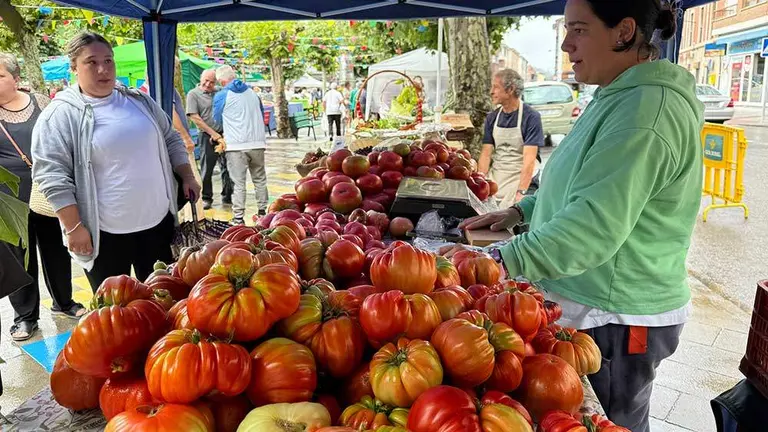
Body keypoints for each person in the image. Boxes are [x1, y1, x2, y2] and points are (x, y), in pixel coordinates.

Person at [442, 1, 703, 431]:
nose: (566, 45)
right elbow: (576, 184)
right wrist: (519, 211)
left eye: (578, 30)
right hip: (590, 302)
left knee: (613, 421)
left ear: (623, 31)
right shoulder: (616, 95)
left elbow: (590, 228)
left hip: (617, 316)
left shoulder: (645, 112)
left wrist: (497, 260)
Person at [32, 31, 201, 291]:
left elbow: (171, 138)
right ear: (74, 67)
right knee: (115, 316)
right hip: (105, 236)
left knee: (166, 304)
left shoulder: (139, 101)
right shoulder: (60, 114)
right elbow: (51, 175)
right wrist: (74, 226)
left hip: (158, 225)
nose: (103, 69)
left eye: (108, 60)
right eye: (91, 62)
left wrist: (186, 174)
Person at [0, 53, 86, 341]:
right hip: (10, 200)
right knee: (20, 259)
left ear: (15, 78)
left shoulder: (42, 103)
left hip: (48, 194)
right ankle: (25, 317)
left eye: (0, 76)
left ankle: (64, 302)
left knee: (57, 251)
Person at [478, 69, 545, 208]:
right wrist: (480, 182)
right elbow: (486, 154)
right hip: (497, 176)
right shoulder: (492, 118)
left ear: (511, 89)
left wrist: (521, 192)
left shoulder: (531, 117)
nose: (491, 92)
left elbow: (529, 159)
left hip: (521, 178)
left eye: (496, 87)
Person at [212, 65, 268, 225]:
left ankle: (238, 218)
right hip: (258, 143)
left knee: (238, 183)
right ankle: (263, 214)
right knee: (260, 179)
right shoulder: (253, 93)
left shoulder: (222, 95)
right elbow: (261, 113)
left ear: (222, 81)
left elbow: (217, 120)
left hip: (236, 146)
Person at [187, 69, 233, 210]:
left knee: (228, 167)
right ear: (201, 78)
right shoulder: (193, 94)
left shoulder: (219, 91)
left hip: (224, 134)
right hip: (207, 136)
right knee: (207, 169)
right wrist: (213, 134)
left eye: (212, 82)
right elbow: (195, 117)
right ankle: (207, 198)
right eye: (206, 80)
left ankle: (228, 195)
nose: (208, 84)